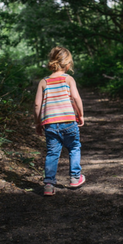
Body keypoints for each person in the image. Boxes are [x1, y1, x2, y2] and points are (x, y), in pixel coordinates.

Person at [34, 46, 85, 196]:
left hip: (50, 124)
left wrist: (38, 123)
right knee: (74, 147)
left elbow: (37, 105)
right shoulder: (68, 79)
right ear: (67, 65)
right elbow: (76, 98)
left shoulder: (44, 82)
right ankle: (75, 177)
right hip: (69, 121)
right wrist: (81, 115)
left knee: (52, 153)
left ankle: (49, 185)